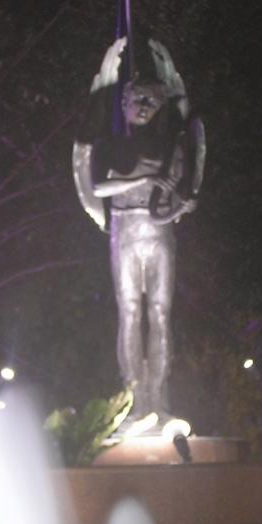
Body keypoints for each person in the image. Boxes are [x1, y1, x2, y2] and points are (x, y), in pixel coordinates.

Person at [73, 36, 204, 436]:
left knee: (160, 314)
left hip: (160, 232)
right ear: (125, 105)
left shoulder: (171, 148)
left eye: (151, 100)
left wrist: (183, 204)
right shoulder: (109, 145)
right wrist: (144, 178)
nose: (143, 106)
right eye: (136, 100)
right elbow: (98, 186)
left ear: (160, 105)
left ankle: (159, 401)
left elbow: (183, 188)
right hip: (125, 229)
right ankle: (134, 400)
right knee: (129, 312)